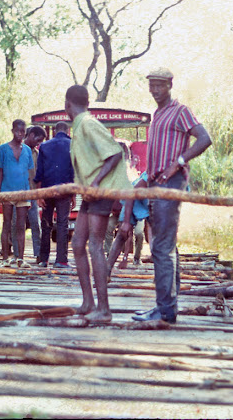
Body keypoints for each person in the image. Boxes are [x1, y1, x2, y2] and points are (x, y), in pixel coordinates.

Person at [132, 67, 212, 324]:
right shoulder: (157, 115)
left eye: (159, 85)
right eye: (151, 85)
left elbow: (204, 138)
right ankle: (168, 308)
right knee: (167, 245)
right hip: (156, 183)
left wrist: (178, 162)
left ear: (170, 85)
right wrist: (145, 178)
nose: (154, 90)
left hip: (172, 182)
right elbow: (157, 155)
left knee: (161, 247)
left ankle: (164, 310)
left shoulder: (180, 111)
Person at [66, 85, 131, 323]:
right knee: (77, 243)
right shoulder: (80, 125)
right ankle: (87, 302)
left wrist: (95, 181)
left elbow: (114, 153)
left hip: (100, 190)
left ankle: (104, 308)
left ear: (67, 105)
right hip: (90, 193)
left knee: (94, 244)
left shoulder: (88, 123)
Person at [0, 119, 34, 268]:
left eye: (23, 131)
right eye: (17, 131)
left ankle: (21, 259)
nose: (20, 134)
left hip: (23, 192)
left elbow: (28, 174)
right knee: (7, 224)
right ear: (12, 131)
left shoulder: (27, 151)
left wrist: (29, 194)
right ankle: (5, 258)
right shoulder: (3, 149)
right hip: (6, 192)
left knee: (21, 225)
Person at [34, 121, 75, 268]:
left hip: (47, 190)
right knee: (62, 224)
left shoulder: (44, 146)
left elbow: (39, 173)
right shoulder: (72, 145)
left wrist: (39, 195)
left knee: (46, 224)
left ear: (55, 131)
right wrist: (73, 195)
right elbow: (73, 171)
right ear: (67, 131)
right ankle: (61, 260)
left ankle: (44, 259)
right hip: (64, 190)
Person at [106, 171, 149, 281]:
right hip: (134, 200)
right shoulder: (144, 180)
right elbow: (127, 234)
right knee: (122, 234)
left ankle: (168, 276)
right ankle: (106, 271)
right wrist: (125, 222)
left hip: (155, 203)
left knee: (160, 239)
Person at [22, 125, 46, 261]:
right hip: (17, 194)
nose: (39, 143)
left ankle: (38, 254)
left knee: (35, 225)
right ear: (31, 135)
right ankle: (15, 254)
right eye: (38, 140)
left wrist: (38, 195)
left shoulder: (36, 154)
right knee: (16, 225)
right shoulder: (15, 150)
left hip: (32, 195)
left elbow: (38, 176)